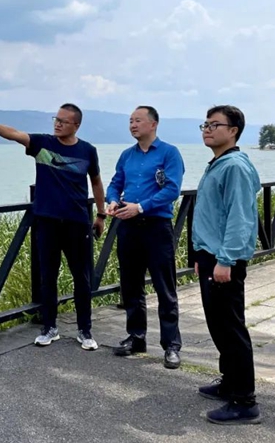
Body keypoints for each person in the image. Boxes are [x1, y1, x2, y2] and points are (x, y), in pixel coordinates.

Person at [0, 103, 106, 349]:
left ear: (76, 125)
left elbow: (96, 182)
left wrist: (101, 214)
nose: (57, 124)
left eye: (63, 121)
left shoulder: (88, 150)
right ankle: (49, 328)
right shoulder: (43, 144)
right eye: (56, 119)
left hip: (77, 222)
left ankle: (85, 331)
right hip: (47, 222)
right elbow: (15, 134)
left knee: (82, 278)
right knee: (48, 277)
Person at [192, 105, 262, 425]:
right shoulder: (218, 163)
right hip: (212, 256)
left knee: (231, 328)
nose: (207, 129)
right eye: (205, 125)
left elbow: (239, 218)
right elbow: (213, 214)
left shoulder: (234, 166)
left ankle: (245, 401)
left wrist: (225, 260)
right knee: (219, 325)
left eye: (215, 124)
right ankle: (230, 383)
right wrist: (201, 256)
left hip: (225, 259)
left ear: (233, 131)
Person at [105, 106, 184, 369]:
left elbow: (172, 189)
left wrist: (140, 207)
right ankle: (136, 337)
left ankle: (171, 345)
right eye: (130, 121)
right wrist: (112, 200)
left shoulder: (169, 153)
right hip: (128, 226)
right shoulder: (127, 155)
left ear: (153, 124)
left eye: (138, 120)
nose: (133, 125)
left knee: (164, 286)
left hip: (156, 226)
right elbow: (115, 183)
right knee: (131, 284)